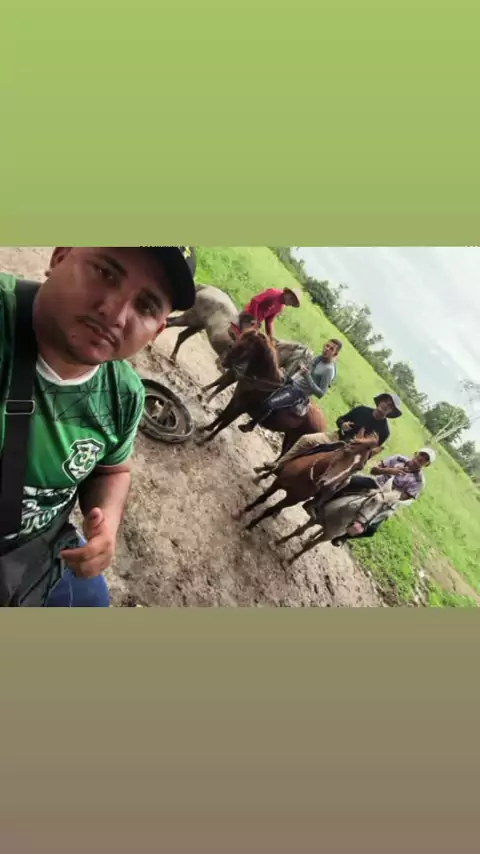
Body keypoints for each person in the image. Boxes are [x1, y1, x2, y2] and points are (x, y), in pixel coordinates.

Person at [0, 246, 196, 607]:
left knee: (94, 602)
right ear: (61, 256)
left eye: (146, 306)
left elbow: (113, 469)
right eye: (106, 273)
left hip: (37, 547)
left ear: (156, 332)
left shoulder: (125, 394)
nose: (115, 314)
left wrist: (107, 523)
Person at [254, 392, 402, 475]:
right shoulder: (362, 410)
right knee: (306, 439)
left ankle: (317, 504)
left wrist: (359, 456)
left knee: (341, 480)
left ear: (391, 412)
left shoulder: (384, 431)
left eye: (390, 407)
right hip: (336, 437)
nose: (386, 406)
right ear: (380, 401)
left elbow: (371, 451)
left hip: (351, 454)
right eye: (385, 402)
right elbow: (340, 419)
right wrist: (343, 425)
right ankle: (278, 464)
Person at [330, 447, 436, 546]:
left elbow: (405, 496)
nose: (422, 458)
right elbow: (373, 470)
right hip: (376, 483)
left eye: (426, 459)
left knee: (371, 530)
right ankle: (325, 499)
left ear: (427, 464)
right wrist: (389, 471)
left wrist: (387, 495)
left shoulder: (419, 481)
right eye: (422, 454)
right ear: (416, 453)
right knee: (348, 481)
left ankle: (343, 536)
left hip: (388, 500)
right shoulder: (398, 459)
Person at [239, 337, 342, 433]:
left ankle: (251, 425)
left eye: (331, 349)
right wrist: (292, 377)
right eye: (327, 346)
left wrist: (307, 377)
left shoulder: (329, 370)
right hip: (292, 382)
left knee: (269, 404)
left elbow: (321, 393)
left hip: (299, 393)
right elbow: (305, 370)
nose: (327, 349)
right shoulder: (319, 358)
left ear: (335, 354)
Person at [230, 286, 301, 340]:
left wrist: (271, 338)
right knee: (244, 340)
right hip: (248, 315)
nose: (290, 302)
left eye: (293, 302)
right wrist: (255, 319)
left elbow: (269, 322)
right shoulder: (274, 293)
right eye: (291, 298)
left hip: (254, 323)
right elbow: (255, 301)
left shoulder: (280, 307)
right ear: (287, 293)